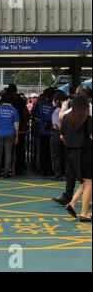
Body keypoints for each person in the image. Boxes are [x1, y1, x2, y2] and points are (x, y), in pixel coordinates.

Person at [62, 93, 92, 222]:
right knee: (90, 182)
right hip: (85, 154)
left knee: (85, 182)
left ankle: (72, 204)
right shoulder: (88, 118)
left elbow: (62, 136)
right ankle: (84, 213)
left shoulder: (66, 117)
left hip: (70, 154)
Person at [0, 91, 20, 178]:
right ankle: (6, 173)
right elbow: (16, 125)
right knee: (8, 154)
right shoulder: (14, 110)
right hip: (10, 134)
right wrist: (17, 136)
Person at [35, 88, 55, 175]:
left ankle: (43, 169)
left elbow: (37, 118)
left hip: (42, 131)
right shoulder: (54, 106)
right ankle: (51, 169)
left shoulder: (41, 105)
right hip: (52, 132)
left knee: (43, 151)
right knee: (51, 151)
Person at [51, 92, 68, 181]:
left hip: (58, 134)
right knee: (65, 154)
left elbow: (56, 125)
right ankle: (66, 173)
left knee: (56, 154)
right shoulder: (69, 110)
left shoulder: (56, 111)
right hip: (68, 134)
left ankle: (58, 174)